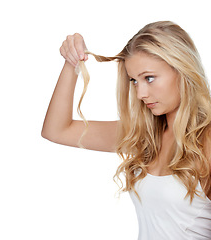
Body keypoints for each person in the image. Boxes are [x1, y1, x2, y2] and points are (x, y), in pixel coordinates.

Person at [41, 21, 211, 239]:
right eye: (134, 81)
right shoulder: (145, 135)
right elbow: (57, 131)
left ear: (182, 69)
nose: (140, 93)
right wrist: (71, 64)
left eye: (149, 78)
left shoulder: (206, 141)